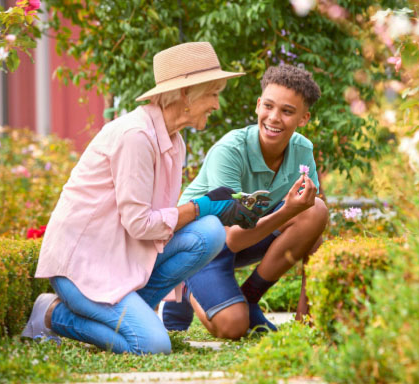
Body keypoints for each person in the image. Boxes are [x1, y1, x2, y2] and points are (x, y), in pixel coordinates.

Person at [21, 42, 262, 354]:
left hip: (120, 259)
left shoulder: (174, 142)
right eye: (213, 93)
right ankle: (52, 313)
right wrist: (203, 205)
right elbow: (139, 225)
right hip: (83, 270)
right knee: (152, 345)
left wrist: (212, 210)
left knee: (212, 232)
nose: (217, 104)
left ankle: (132, 311)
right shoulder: (136, 136)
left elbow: (160, 223)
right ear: (186, 94)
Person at [162, 64, 329, 339]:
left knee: (315, 212)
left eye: (287, 112)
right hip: (202, 243)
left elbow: (311, 232)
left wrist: (307, 318)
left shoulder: (302, 151)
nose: (274, 118)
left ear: (304, 118)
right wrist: (287, 210)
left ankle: (250, 298)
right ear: (257, 105)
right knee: (233, 327)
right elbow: (232, 240)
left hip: (246, 234)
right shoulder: (230, 151)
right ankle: (187, 283)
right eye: (268, 106)